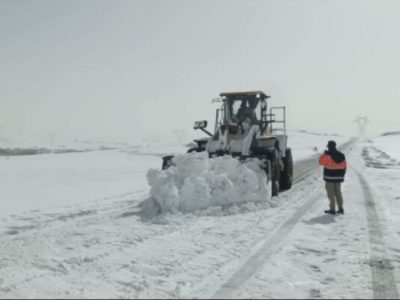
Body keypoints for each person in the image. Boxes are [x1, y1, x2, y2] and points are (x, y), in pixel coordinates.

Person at [319, 140, 347, 214]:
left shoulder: (327, 156)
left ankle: (332, 209)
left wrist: (324, 154)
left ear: (329, 147)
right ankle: (341, 209)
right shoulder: (341, 155)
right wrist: (342, 175)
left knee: (331, 194)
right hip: (338, 178)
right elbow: (344, 166)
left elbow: (320, 162)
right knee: (338, 193)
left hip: (330, 178)